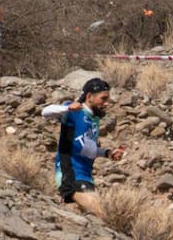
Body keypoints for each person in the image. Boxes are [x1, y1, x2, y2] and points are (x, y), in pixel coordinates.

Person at [42, 77, 125, 218]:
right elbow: (45, 112)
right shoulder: (75, 111)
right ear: (89, 97)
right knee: (102, 214)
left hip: (86, 176)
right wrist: (66, 108)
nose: (106, 103)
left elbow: (88, 148)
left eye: (108, 99)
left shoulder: (94, 119)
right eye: (103, 99)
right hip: (70, 175)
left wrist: (108, 153)